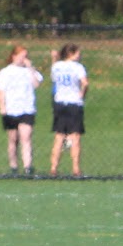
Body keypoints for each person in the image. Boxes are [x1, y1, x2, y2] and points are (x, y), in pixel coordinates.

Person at [0, 44, 43, 175]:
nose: (23, 59)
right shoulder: (5, 72)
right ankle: (14, 166)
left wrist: (30, 68)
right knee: (13, 139)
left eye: (26, 57)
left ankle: (28, 166)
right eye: (21, 56)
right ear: (14, 56)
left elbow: (36, 84)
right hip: (11, 110)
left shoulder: (29, 71)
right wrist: (2, 108)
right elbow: (1, 91)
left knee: (26, 137)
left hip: (27, 109)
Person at [48, 42, 88, 177]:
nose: (80, 55)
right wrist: (82, 94)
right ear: (71, 54)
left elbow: (54, 79)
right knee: (75, 136)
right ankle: (76, 168)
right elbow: (85, 83)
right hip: (74, 103)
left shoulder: (57, 66)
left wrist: (53, 58)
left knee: (59, 136)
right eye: (77, 53)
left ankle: (53, 167)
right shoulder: (78, 67)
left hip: (60, 102)